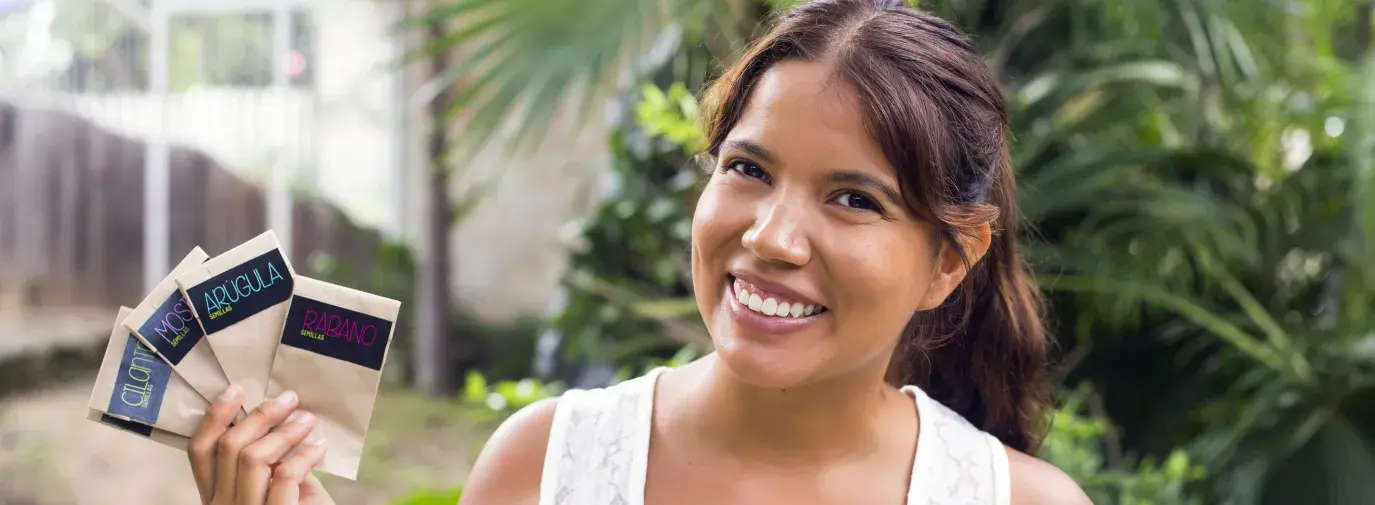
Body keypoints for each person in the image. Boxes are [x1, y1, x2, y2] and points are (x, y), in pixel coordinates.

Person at [185, 0, 1092, 503]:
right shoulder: (542, 463)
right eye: (748, 167)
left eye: (853, 198)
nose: (771, 238)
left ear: (949, 259)